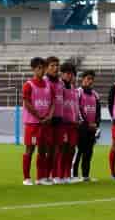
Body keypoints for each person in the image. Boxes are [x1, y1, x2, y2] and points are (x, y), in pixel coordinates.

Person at [21, 57, 54, 186]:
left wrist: (49, 116)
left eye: (43, 68)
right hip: (33, 124)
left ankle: (41, 177)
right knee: (30, 149)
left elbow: (52, 103)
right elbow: (27, 103)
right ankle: (26, 177)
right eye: (39, 68)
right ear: (33, 69)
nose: (42, 70)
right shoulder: (28, 85)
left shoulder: (48, 85)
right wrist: (39, 116)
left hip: (45, 123)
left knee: (43, 150)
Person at [73, 70, 101, 182]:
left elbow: (97, 112)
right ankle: (74, 175)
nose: (90, 81)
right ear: (83, 79)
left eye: (92, 79)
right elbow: (77, 108)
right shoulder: (78, 92)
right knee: (78, 151)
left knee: (88, 152)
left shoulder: (95, 94)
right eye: (88, 79)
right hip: (81, 128)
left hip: (91, 129)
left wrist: (96, 124)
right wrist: (86, 123)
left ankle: (85, 175)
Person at [57, 62, 80, 184]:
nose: (69, 76)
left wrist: (77, 118)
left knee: (71, 149)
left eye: (71, 74)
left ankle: (67, 174)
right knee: (63, 149)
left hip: (73, 124)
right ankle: (59, 175)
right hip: (63, 123)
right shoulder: (59, 87)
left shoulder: (74, 89)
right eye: (67, 73)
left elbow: (75, 106)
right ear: (62, 74)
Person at [44, 56, 64, 183]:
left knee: (58, 148)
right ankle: (45, 175)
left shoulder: (61, 83)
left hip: (59, 118)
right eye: (52, 66)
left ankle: (55, 175)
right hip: (48, 119)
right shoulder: (44, 81)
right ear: (46, 68)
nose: (55, 68)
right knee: (48, 149)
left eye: (57, 65)